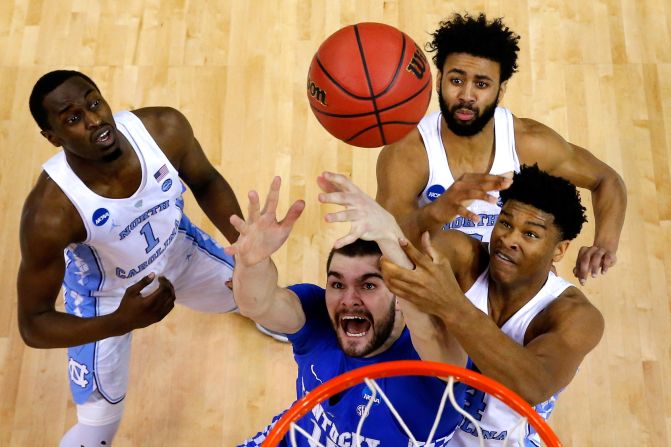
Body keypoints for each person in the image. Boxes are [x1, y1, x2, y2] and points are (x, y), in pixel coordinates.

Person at [17, 69, 258, 447]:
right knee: (98, 429)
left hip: (176, 249)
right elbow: (33, 325)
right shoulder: (50, 213)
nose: (95, 120)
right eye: (73, 119)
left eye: (94, 103)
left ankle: (256, 308)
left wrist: (244, 243)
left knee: (259, 293)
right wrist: (119, 322)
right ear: (53, 137)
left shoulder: (164, 129)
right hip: (106, 299)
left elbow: (206, 181)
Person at [376, 12, 627, 285]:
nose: (467, 96)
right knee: (454, 248)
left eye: (481, 84)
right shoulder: (410, 151)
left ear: (501, 89)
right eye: (456, 80)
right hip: (442, 283)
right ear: (439, 80)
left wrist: (604, 244)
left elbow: (606, 179)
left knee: (572, 309)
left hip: (509, 282)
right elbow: (388, 241)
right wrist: (438, 211)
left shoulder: (528, 143)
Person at [231, 173, 467, 447]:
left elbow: (435, 339)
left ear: (400, 295)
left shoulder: (433, 361)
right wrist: (252, 263)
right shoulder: (318, 315)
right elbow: (257, 304)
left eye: (368, 286)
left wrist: (391, 237)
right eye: (337, 283)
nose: (348, 298)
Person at [378, 164, 605, 446]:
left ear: (559, 250)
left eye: (530, 234)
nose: (509, 240)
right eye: (506, 223)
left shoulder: (574, 315)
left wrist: (453, 305)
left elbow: (533, 384)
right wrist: (432, 214)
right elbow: (395, 258)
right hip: (424, 431)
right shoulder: (464, 256)